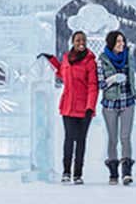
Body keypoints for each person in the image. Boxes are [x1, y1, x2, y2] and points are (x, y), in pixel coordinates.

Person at [38, 30, 98, 184]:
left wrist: (90, 107)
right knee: (69, 139)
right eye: (78, 40)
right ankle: (66, 172)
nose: (81, 43)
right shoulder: (66, 58)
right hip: (68, 106)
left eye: (83, 40)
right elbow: (61, 74)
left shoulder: (90, 61)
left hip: (84, 107)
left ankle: (77, 174)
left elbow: (93, 86)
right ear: (73, 41)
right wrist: (51, 59)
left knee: (81, 140)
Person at [96, 28, 136, 185]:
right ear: (111, 43)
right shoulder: (102, 60)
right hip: (110, 104)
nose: (121, 44)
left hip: (127, 102)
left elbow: (133, 80)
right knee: (113, 138)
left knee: (126, 137)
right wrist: (112, 80)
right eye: (118, 41)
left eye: (123, 41)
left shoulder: (128, 57)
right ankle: (113, 172)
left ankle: (126, 172)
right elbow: (100, 84)